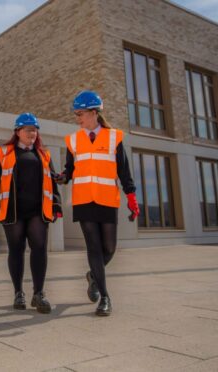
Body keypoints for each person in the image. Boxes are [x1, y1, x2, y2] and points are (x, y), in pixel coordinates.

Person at [56, 90, 139, 316]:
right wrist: (61, 177)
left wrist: (131, 197)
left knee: (109, 248)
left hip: (106, 199)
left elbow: (124, 171)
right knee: (93, 247)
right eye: (76, 115)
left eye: (80, 114)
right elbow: (70, 170)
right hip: (83, 200)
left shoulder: (114, 137)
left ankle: (93, 275)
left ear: (94, 113)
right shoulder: (73, 140)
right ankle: (105, 297)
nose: (78, 118)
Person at [0, 113, 63, 314]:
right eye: (29, 129)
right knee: (16, 250)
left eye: (35, 129)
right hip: (13, 211)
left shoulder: (44, 154)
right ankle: (18, 292)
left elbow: (52, 181)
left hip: (38, 210)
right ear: (18, 132)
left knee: (39, 248)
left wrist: (56, 205)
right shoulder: (2, 152)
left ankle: (38, 293)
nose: (33, 133)